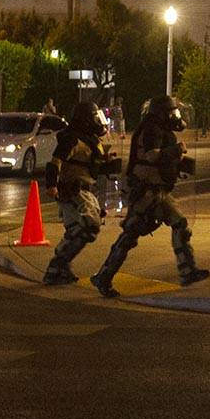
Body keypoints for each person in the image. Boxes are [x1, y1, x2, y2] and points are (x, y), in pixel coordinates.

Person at [91, 95, 208, 297]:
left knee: (180, 224)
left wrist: (177, 164)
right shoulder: (151, 129)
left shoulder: (160, 130)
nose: (175, 117)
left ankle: (187, 271)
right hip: (146, 191)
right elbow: (151, 155)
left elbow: (161, 159)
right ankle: (104, 276)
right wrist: (175, 151)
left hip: (159, 191)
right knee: (130, 234)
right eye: (172, 112)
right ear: (162, 113)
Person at [42, 102, 121, 285]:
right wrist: (51, 184)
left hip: (81, 190)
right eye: (95, 118)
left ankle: (59, 268)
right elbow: (55, 162)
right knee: (89, 225)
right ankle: (57, 267)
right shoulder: (72, 139)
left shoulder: (87, 140)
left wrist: (105, 161)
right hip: (74, 190)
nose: (98, 122)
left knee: (74, 231)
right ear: (86, 120)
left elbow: (88, 164)